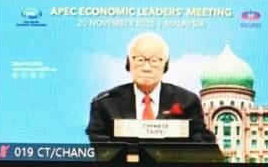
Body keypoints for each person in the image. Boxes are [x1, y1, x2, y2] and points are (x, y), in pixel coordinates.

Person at [86, 33, 216, 143]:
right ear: (128, 63)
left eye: (154, 60)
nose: (147, 68)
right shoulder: (105, 103)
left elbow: (203, 141)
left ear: (165, 65)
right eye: (140, 60)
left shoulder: (187, 101)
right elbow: (93, 145)